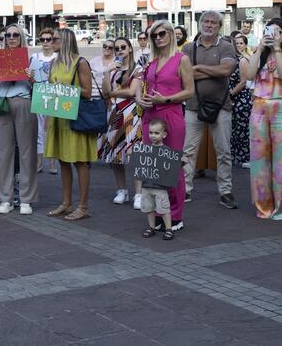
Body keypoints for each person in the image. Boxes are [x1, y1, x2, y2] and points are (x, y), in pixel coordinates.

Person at [130, 20, 195, 231]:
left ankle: (176, 215)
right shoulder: (150, 60)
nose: (158, 38)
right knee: (153, 167)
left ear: (170, 34)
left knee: (172, 165)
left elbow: (189, 91)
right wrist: (139, 98)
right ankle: (159, 213)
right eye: (154, 35)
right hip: (150, 115)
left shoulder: (181, 59)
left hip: (171, 113)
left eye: (161, 34)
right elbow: (138, 82)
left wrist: (166, 99)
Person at [180, 11, 238, 209]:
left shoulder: (226, 46)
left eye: (213, 22)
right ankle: (185, 189)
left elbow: (226, 71)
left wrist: (197, 69)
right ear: (199, 24)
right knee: (188, 151)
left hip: (220, 106)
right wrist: (211, 72)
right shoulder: (187, 48)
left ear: (219, 27)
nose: (209, 25)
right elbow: (183, 76)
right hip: (193, 106)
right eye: (205, 21)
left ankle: (225, 191)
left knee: (223, 151)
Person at [244, 19, 282, 220]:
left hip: (281, 105)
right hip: (258, 105)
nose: (273, 35)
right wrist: (259, 49)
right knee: (259, 159)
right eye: (269, 31)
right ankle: (263, 206)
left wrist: (276, 49)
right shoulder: (260, 54)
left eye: (278, 32)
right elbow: (249, 75)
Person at [44, 28, 97, 221]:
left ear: (65, 40)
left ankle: (83, 206)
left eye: (55, 39)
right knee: (63, 160)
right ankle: (66, 203)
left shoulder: (80, 62)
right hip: (59, 117)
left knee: (80, 161)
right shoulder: (54, 63)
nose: (50, 41)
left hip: (76, 118)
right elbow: (50, 90)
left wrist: (68, 89)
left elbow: (88, 92)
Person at [0, 23, 38, 216]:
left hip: (23, 102)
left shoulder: (31, 58)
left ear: (21, 36)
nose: (11, 37)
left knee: (27, 151)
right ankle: (5, 198)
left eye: (15, 34)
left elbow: (40, 86)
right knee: (3, 153)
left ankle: (26, 198)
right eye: (8, 35)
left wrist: (31, 78)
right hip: (3, 104)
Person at [99, 37, 140, 205]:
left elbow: (131, 92)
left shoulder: (138, 68)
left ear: (130, 48)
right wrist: (108, 72)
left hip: (132, 114)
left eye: (123, 47)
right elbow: (105, 91)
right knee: (115, 155)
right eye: (117, 48)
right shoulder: (113, 70)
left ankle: (139, 193)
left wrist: (113, 93)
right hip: (114, 115)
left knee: (135, 154)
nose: (120, 50)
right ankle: (122, 190)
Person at [140, 119, 176, 240]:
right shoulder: (145, 149)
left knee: (164, 209)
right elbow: (140, 164)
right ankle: (151, 227)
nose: (153, 136)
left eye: (156, 133)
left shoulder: (167, 151)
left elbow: (171, 168)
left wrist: (180, 162)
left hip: (160, 187)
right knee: (149, 208)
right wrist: (132, 154)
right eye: (151, 133)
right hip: (146, 185)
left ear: (164, 134)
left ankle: (168, 228)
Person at [31, 28, 58, 175]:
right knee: (39, 131)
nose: (46, 42)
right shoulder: (35, 56)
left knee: (52, 129)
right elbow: (31, 77)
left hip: (55, 95)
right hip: (39, 94)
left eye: (49, 39)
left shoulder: (58, 56)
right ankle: (39, 162)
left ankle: (53, 163)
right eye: (43, 39)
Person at [229, 31, 252, 168]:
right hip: (233, 99)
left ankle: (246, 157)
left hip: (242, 99)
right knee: (235, 130)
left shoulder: (243, 60)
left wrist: (230, 94)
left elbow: (244, 82)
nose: (238, 45)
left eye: (240, 43)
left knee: (243, 130)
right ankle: (236, 157)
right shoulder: (232, 60)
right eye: (236, 43)